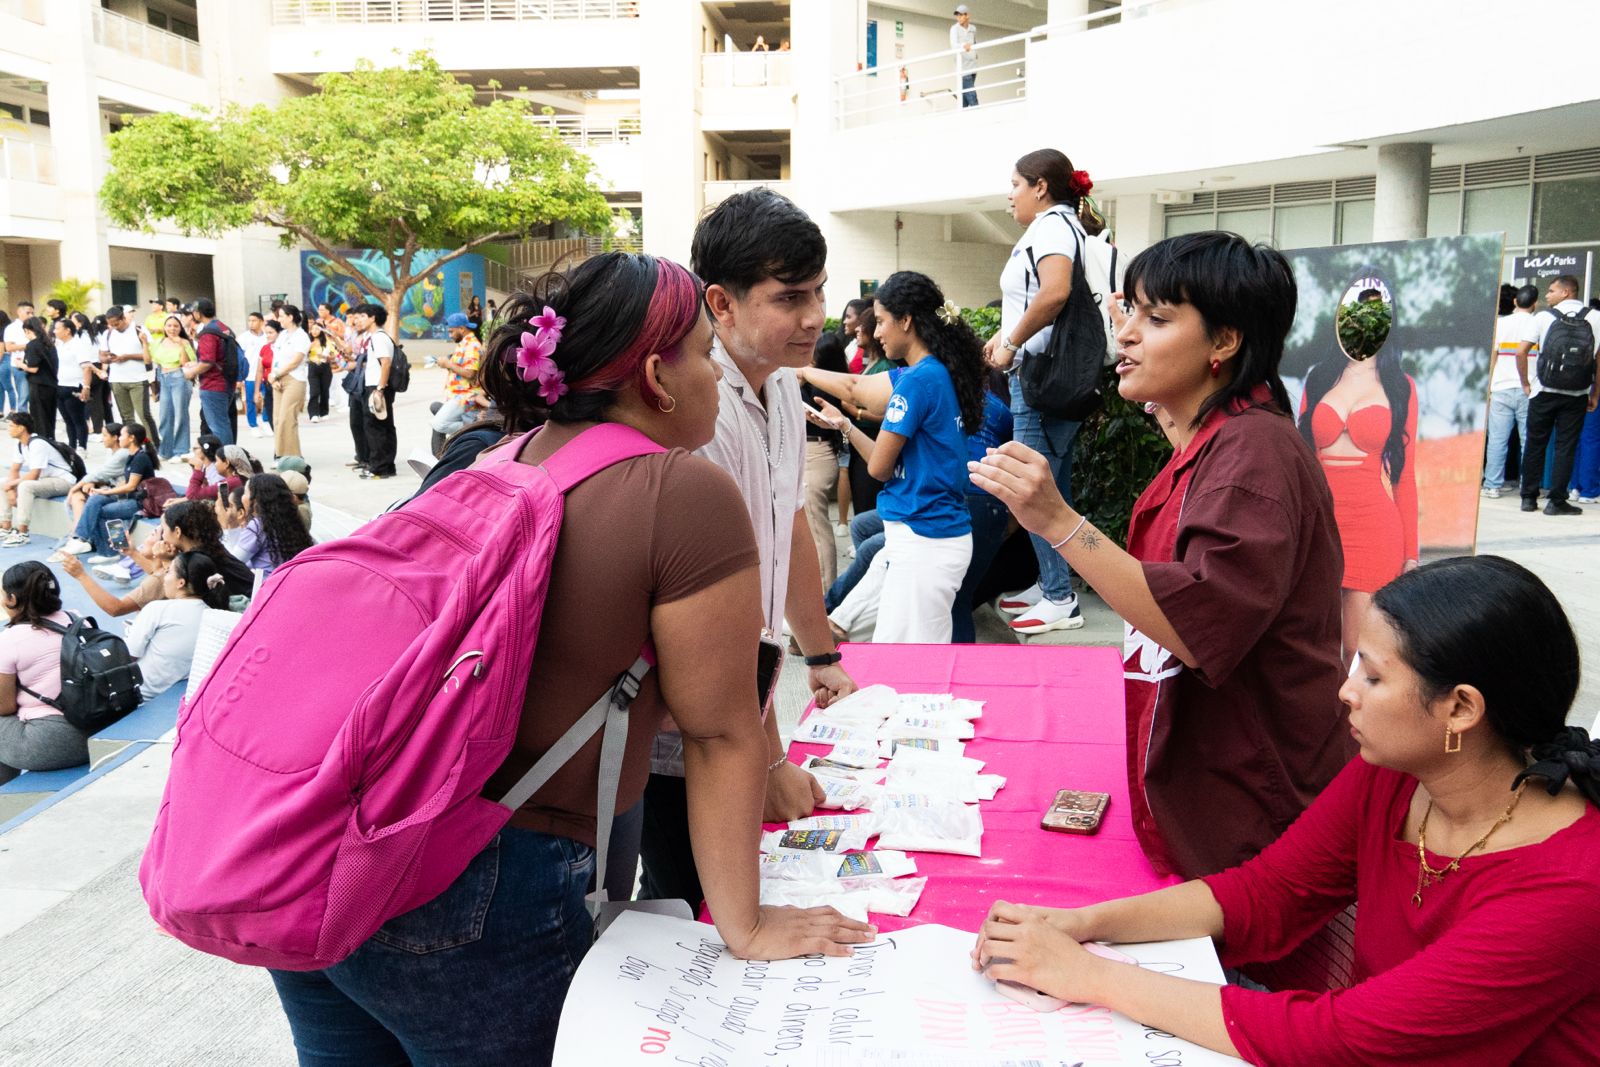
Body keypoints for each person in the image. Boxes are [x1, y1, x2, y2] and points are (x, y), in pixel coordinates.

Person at [266, 252, 873, 1066]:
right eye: (703, 354)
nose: (713, 375)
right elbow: (721, 735)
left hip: (332, 868)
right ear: (657, 375)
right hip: (482, 889)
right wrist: (749, 923)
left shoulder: (499, 462)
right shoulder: (683, 493)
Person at [973, 556, 1600, 1064]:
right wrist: (1080, 925)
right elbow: (1267, 891)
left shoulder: (1570, 887)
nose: (1346, 691)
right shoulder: (1397, 778)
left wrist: (1090, 977)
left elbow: (1349, 1039)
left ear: (1461, 709)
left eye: (1375, 678)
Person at [969, 231, 1349, 881]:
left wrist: (1058, 521)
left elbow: (1195, 622)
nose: (1127, 336)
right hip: (1216, 795)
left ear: (1224, 342)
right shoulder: (1223, 438)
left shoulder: (1250, 456)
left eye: (1157, 318)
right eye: (1131, 314)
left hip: (1250, 818)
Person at [637, 188, 859, 913]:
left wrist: (821, 655)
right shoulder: (707, 407)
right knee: (689, 909)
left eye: (821, 291)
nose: (816, 316)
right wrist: (769, 759)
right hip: (691, 726)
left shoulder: (784, 388)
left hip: (741, 698)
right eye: (790, 296)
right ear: (721, 304)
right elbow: (720, 620)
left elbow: (788, 522)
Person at [812, 272, 987, 643]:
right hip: (932, 538)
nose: (876, 333)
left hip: (924, 541)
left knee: (907, 666)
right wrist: (844, 424)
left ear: (906, 320)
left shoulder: (917, 381)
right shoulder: (937, 373)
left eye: (880, 321)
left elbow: (878, 466)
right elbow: (856, 391)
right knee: (912, 660)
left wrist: (799, 372)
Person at [985, 148, 1105, 634]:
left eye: (1014, 184)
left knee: (1030, 489)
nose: (1009, 195)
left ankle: (1059, 597)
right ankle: (1052, 583)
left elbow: (1053, 293)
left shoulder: (1052, 226)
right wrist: (1004, 334)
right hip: (1047, 375)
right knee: (1055, 487)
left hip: (1040, 378)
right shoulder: (1062, 225)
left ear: (1039, 187)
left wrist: (1011, 342)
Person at [1298, 292, 1417, 660]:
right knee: (1315, 645)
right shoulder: (1318, 378)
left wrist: (1411, 553)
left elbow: (1406, 476)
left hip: (1374, 527)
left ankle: (1354, 719)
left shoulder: (1401, 385)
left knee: (1358, 646)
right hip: (1322, 524)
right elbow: (1302, 462)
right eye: (1354, 313)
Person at [60, 498, 254, 617]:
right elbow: (164, 579)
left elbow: (116, 608)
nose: (159, 533)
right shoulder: (210, 548)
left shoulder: (186, 565)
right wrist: (134, 553)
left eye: (163, 528)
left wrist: (80, 575)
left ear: (177, 532)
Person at [1517, 273, 1600, 516]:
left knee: (1535, 443)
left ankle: (1529, 498)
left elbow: (1521, 352)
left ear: (1566, 292)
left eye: (1552, 290)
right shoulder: (1596, 317)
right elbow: (1599, 359)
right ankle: (1556, 501)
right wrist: (1595, 392)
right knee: (1566, 446)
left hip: (1543, 390)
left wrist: (1526, 383)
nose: (1547, 295)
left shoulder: (1542, 318)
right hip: (1577, 393)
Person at [0, 562, 87, 785]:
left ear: (11, 598)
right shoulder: (76, 619)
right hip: (95, 728)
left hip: (52, 744)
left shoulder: (10, 639)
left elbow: (4, 707)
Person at [122, 549, 231, 699]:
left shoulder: (157, 609)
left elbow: (129, 655)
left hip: (141, 695)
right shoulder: (212, 618)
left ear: (181, 582)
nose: (165, 578)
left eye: (168, 572)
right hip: (176, 697)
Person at [52, 424, 159, 564]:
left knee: (101, 511)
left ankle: (98, 546)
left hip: (139, 503)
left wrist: (106, 491)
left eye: (122, 435)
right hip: (129, 498)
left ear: (131, 438)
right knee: (96, 501)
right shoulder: (131, 456)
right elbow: (121, 481)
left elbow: (131, 486)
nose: (120, 438)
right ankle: (90, 543)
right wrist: (101, 489)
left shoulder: (140, 458)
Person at [801, 332, 849, 589]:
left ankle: (825, 597)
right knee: (815, 530)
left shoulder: (820, 387)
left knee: (818, 532)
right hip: (816, 455)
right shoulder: (829, 382)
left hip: (815, 456)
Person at [1482, 284, 1538, 498]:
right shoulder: (1538, 323)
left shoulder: (1500, 323)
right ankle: (1527, 487)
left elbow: (1493, 356)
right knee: (1528, 441)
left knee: (1497, 439)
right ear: (1535, 304)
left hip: (1500, 387)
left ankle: (1492, 485)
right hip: (1528, 388)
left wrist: (1489, 385)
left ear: (1515, 302)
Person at [218, 473, 315, 579]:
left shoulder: (257, 526)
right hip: (290, 582)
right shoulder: (292, 521)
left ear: (255, 499)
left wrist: (228, 527)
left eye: (245, 493)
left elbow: (234, 563)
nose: (242, 497)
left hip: (269, 588)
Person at [0, 413, 76, 548]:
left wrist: (11, 486)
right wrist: (10, 489)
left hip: (63, 481)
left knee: (25, 486)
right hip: (45, 480)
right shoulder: (20, 444)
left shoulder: (38, 444)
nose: (8, 429)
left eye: (11, 426)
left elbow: (34, 474)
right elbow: (14, 470)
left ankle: (22, 533)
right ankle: (6, 526)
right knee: (2, 481)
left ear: (21, 428)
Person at [103, 306, 161, 454]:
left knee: (144, 415)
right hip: (116, 379)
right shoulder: (109, 334)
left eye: (117, 323)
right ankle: (133, 447)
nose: (115, 327)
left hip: (137, 379)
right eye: (111, 324)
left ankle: (152, 446)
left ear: (123, 318)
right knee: (126, 417)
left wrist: (126, 357)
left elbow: (149, 356)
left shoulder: (139, 330)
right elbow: (101, 356)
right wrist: (109, 358)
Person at [351, 303, 397, 479]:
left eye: (363, 316)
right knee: (382, 426)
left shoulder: (378, 337)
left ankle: (379, 467)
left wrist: (379, 389)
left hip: (377, 387)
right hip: (376, 386)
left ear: (373, 318)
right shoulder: (375, 337)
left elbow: (386, 363)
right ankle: (385, 465)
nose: (359, 320)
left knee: (376, 427)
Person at [431, 311, 488, 452]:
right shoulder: (464, 344)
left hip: (465, 396)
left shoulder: (472, 346)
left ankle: (472, 426)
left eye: (451, 332)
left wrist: (448, 364)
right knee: (437, 414)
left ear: (462, 329)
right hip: (458, 395)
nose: (450, 335)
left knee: (439, 424)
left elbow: (470, 373)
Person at [192, 299, 238, 446]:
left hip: (213, 384)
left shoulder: (208, 333)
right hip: (228, 381)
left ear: (198, 313)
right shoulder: (223, 327)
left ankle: (226, 460)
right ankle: (228, 457)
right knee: (224, 422)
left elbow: (207, 362)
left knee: (218, 426)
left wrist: (190, 372)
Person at [150, 314, 195, 459]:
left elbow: (188, 363)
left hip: (179, 377)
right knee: (165, 415)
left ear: (180, 328)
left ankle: (181, 450)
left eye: (176, 326)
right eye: (169, 325)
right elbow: (153, 359)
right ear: (164, 327)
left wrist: (181, 344)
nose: (172, 328)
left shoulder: (185, 342)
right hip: (163, 378)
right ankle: (165, 450)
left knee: (180, 415)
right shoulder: (159, 342)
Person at [270, 304, 311, 459]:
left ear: (290, 317)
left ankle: (293, 457)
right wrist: (273, 376)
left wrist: (277, 374)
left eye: (281, 316)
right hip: (278, 379)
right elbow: (276, 358)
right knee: (278, 420)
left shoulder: (301, 336)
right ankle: (280, 455)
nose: (278, 319)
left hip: (294, 379)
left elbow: (295, 361)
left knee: (288, 419)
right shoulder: (282, 335)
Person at [65, 423, 128, 523]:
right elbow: (104, 476)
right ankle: (77, 531)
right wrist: (92, 483)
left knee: (90, 499)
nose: (103, 439)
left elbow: (100, 473)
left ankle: (80, 534)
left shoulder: (122, 454)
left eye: (105, 435)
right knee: (77, 496)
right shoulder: (111, 452)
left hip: (118, 494)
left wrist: (74, 488)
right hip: (109, 487)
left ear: (115, 437)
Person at [52, 317, 96, 451]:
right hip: (60, 385)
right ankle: (71, 447)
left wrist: (86, 386)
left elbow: (87, 367)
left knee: (77, 418)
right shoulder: (60, 345)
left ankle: (82, 447)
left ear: (67, 331)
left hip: (74, 385)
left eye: (57, 328)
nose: (54, 331)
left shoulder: (78, 345)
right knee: (67, 420)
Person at [18, 316, 57, 439]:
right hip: (51, 384)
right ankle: (50, 440)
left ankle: (43, 442)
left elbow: (33, 368)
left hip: (38, 385)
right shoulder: (49, 343)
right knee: (49, 419)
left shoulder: (33, 345)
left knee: (40, 419)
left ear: (27, 330)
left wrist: (21, 365)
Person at [182, 440, 248, 503]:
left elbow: (192, 495)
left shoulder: (229, 483)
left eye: (217, 461)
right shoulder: (237, 478)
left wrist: (198, 471)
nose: (215, 464)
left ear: (226, 463)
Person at [240, 312, 270, 438]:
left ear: (261, 322)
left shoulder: (267, 337)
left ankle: (266, 421)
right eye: (249, 320)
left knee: (267, 399)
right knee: (250, 400)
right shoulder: (243, 338)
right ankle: (253, 425)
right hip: (250, 375)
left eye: (254, 320)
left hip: (265, 374)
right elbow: (239, 358)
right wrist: (240, 376)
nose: (251, 323)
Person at [2, 299, 31, 413]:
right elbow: (9, 347)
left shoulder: (35, 325)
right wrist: (30, 345)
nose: (31, 315)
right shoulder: (11, 328)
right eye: (28, 313)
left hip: (35, 363)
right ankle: (23, 419)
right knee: (23, 394)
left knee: (35, 395)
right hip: (19, 364)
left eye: (32, 313)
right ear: (19, 312)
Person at [304, 318, 333, 424]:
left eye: (317, 329)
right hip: (313, 366)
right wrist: (308, 348)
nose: (314, 331)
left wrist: (326, 356)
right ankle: (313, 413)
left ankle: (324, 412)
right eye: (312, 329)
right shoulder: (308, 341)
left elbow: (333, 357)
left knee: (325, 390)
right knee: (314, 391)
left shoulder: (327, 342)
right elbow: (302, 355)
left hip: (325, 367)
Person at [951, 4, 978, 108]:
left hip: (973, 67)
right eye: (957, 15)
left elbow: (974, 42)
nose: (958, 17)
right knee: (972, 96)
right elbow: (953, 45)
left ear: (967, 16)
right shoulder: (954, 29)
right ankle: (980, 116)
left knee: (964, 98)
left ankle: (961, 118)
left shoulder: (973, 29)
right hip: (962, 68)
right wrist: (963, 45)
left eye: (961, 15)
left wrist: (975, 54)